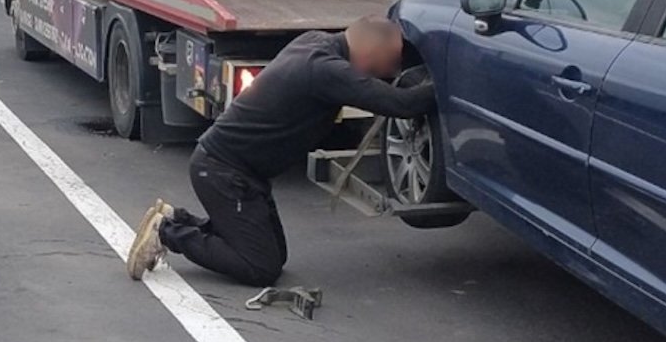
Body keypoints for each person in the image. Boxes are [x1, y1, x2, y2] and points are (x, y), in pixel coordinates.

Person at [126, 15, 435, 286]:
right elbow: (400, 105)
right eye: (391, 62)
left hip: (241, 173)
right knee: (260, 267)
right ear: (369, 53)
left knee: (275, 254)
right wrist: (449, 87)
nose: (393, 70)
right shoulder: (327, 70)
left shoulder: (316, 42)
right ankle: (167, 232)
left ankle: (177, 218)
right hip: (224, 172)